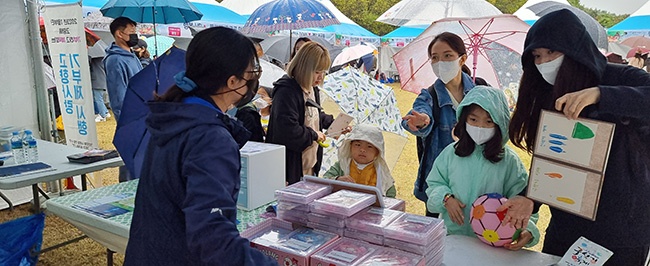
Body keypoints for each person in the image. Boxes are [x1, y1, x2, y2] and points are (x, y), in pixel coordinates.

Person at [499, 10, 650, 265]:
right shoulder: (547, 91)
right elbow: (553, 157)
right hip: (566, 229)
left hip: (621, 232)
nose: (544, 62)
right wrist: (530, 199)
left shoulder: (620, 77)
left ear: (576, 50)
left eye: (552, 53)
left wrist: (601, 95)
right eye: (537, 56)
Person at [123, 27, 276, 265]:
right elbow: (213, 237)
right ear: (232, 81)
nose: (253, 81)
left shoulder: (175, 114)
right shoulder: (210, 137)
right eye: (250, 73)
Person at [425, 86, 539, 250]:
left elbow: (524, 203)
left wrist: (528, 231)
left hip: (493, 246)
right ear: (464, 120)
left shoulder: (510, 162)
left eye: (488, 121)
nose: (480, 127)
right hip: (453, 239)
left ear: (500, 123)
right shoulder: (451, 153)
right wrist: (446, 198)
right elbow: (435, 183)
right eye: (473, 120)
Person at [401, 32, 480, 217]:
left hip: (474, 180)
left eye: (447, 56)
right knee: (436, 237)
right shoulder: (429, 95)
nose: (441, 62)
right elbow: (416, 116)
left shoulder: (480, 92)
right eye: (435, 58)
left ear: (462, 59)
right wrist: (421, 123)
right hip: (439, 184)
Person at [266, 41, 334, 185]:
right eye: (317, 72)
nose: (321, 77)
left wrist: (333, 123)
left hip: (309, 167)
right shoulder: (286, 91)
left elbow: (312, 114)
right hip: (288, 170)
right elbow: (287, 131)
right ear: (304, 68)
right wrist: (314, 135)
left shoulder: (312, 88)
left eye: (323, 72)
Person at [103, 17, 143, 182]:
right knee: (130, 166)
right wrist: (128, 125)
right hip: (131, 122)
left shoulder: (132, 56)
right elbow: (118, 98)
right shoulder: (115, 60)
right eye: (132, 32)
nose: (135, 35)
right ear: (120, 34)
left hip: (142, 118)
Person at [323, 124, 396, 197]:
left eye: (369, 146)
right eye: (358, 145)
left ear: (377, 152)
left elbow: (391, 196)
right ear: (350, 147)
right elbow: (324, 181)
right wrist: (337, 179)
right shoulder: (342, 165)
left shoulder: (382, 173)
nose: (362, 150)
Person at [89, 55, 110, 122]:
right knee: (98, 98)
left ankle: (102, 115)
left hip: (97, 81)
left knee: (98, 98)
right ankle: (105, 112)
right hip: (101, 80)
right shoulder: (103, 58)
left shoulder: (95, 58)